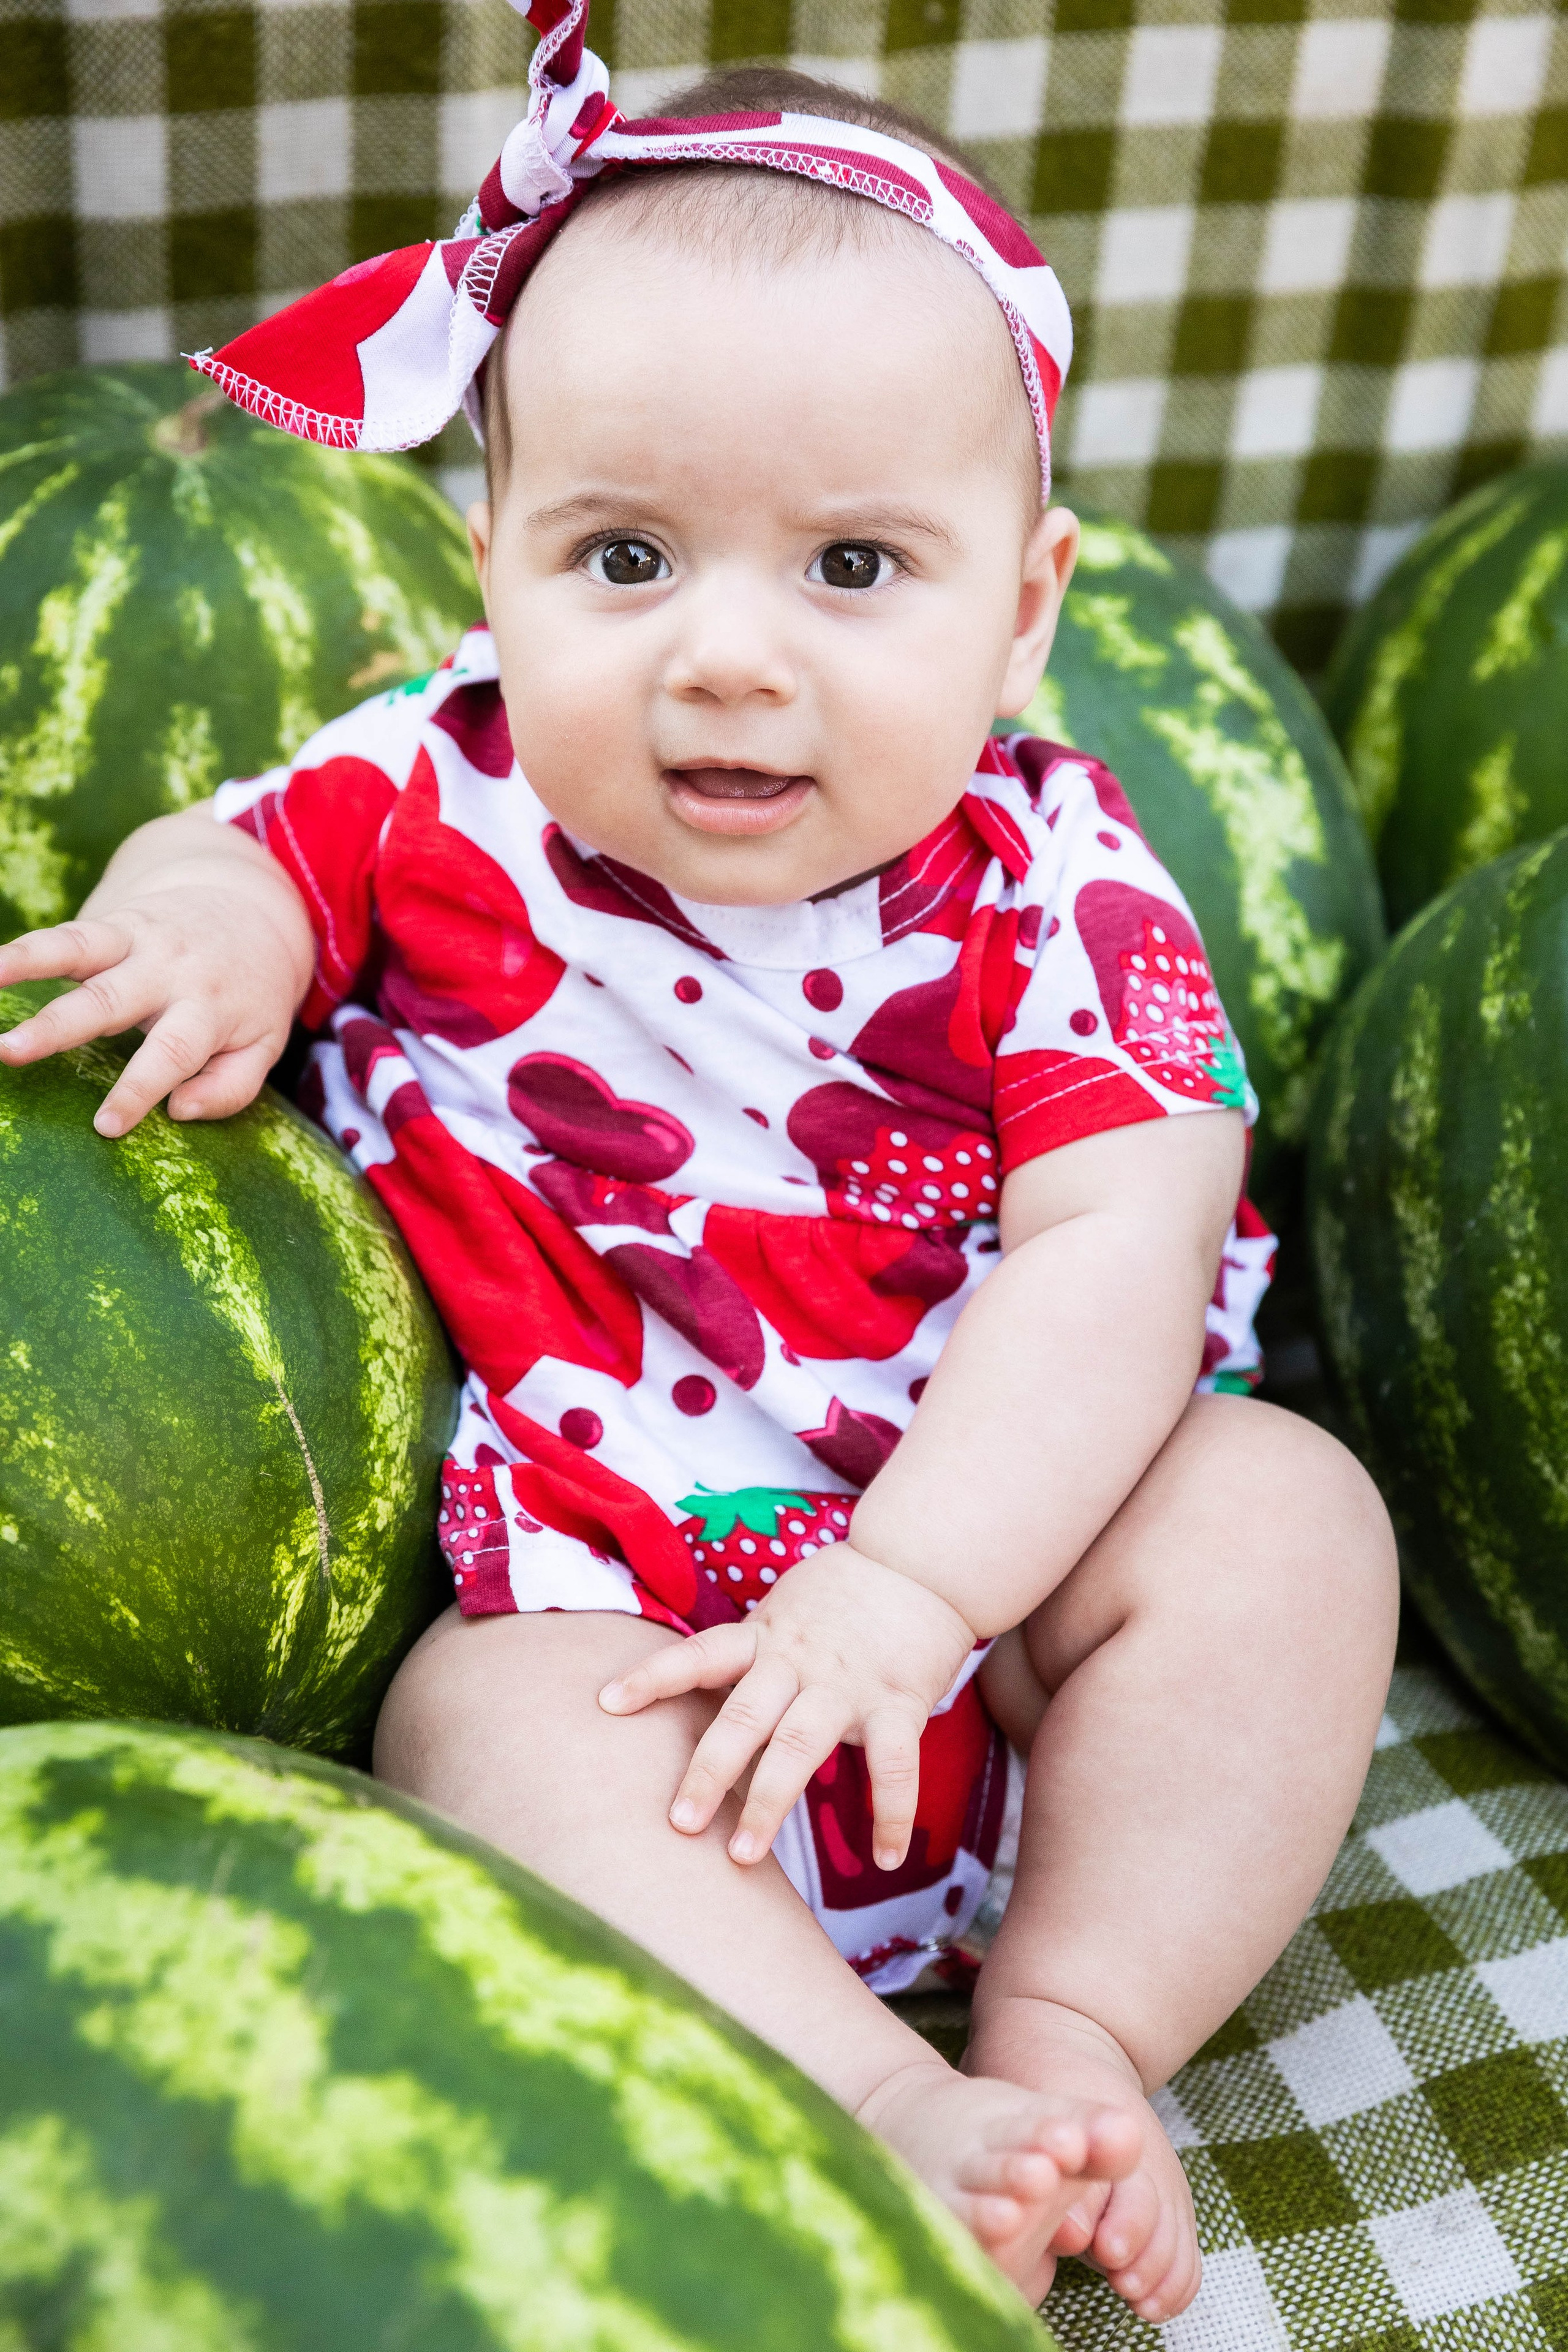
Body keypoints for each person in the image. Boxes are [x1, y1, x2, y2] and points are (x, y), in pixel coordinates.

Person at [0, 6, 1397, 2323]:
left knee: (1281, 1525)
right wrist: (209, 918)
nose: (727, 662)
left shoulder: (1059, 888)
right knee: (465, 1723)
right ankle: (872, 2092)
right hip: (624, 1623)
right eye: (626, 555)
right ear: (493, 567)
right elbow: (235, 840)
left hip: (1022, 1587)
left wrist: (920, 1591)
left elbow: (1124, 1253)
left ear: (1026, 609)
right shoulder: (431, 792)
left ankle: (1074, 2026)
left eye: (856, 569)